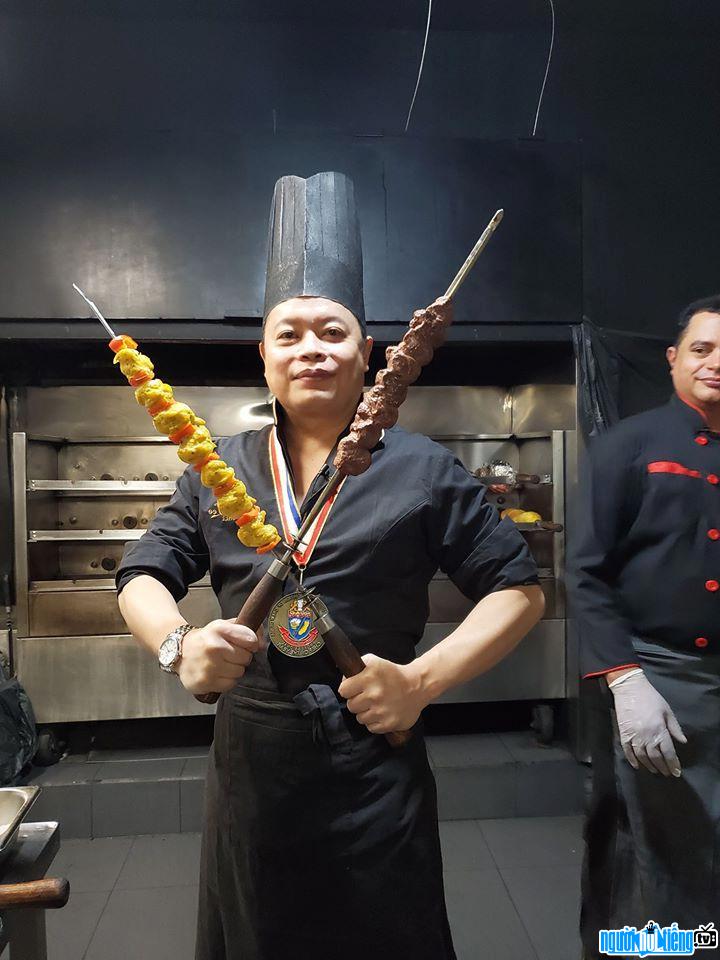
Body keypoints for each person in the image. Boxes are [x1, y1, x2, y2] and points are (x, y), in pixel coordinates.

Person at [116, 171, 544, 960]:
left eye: (333, 331)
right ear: (264, 357)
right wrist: (179, 645)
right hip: (254, 761)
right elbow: (141, 575)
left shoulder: (424, 469)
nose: (311, 348)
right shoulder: (217, 466)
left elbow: (518, 591)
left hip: (374, 750)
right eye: (290, 333)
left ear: (371, 354)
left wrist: (424, 681)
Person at [570, 296, 720, 955]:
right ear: (673, 359)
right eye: (701, 348)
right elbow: (584, 571)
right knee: (665, 849)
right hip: (659, 677)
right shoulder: (627, 445)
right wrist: (626, 679)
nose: (715, 363)